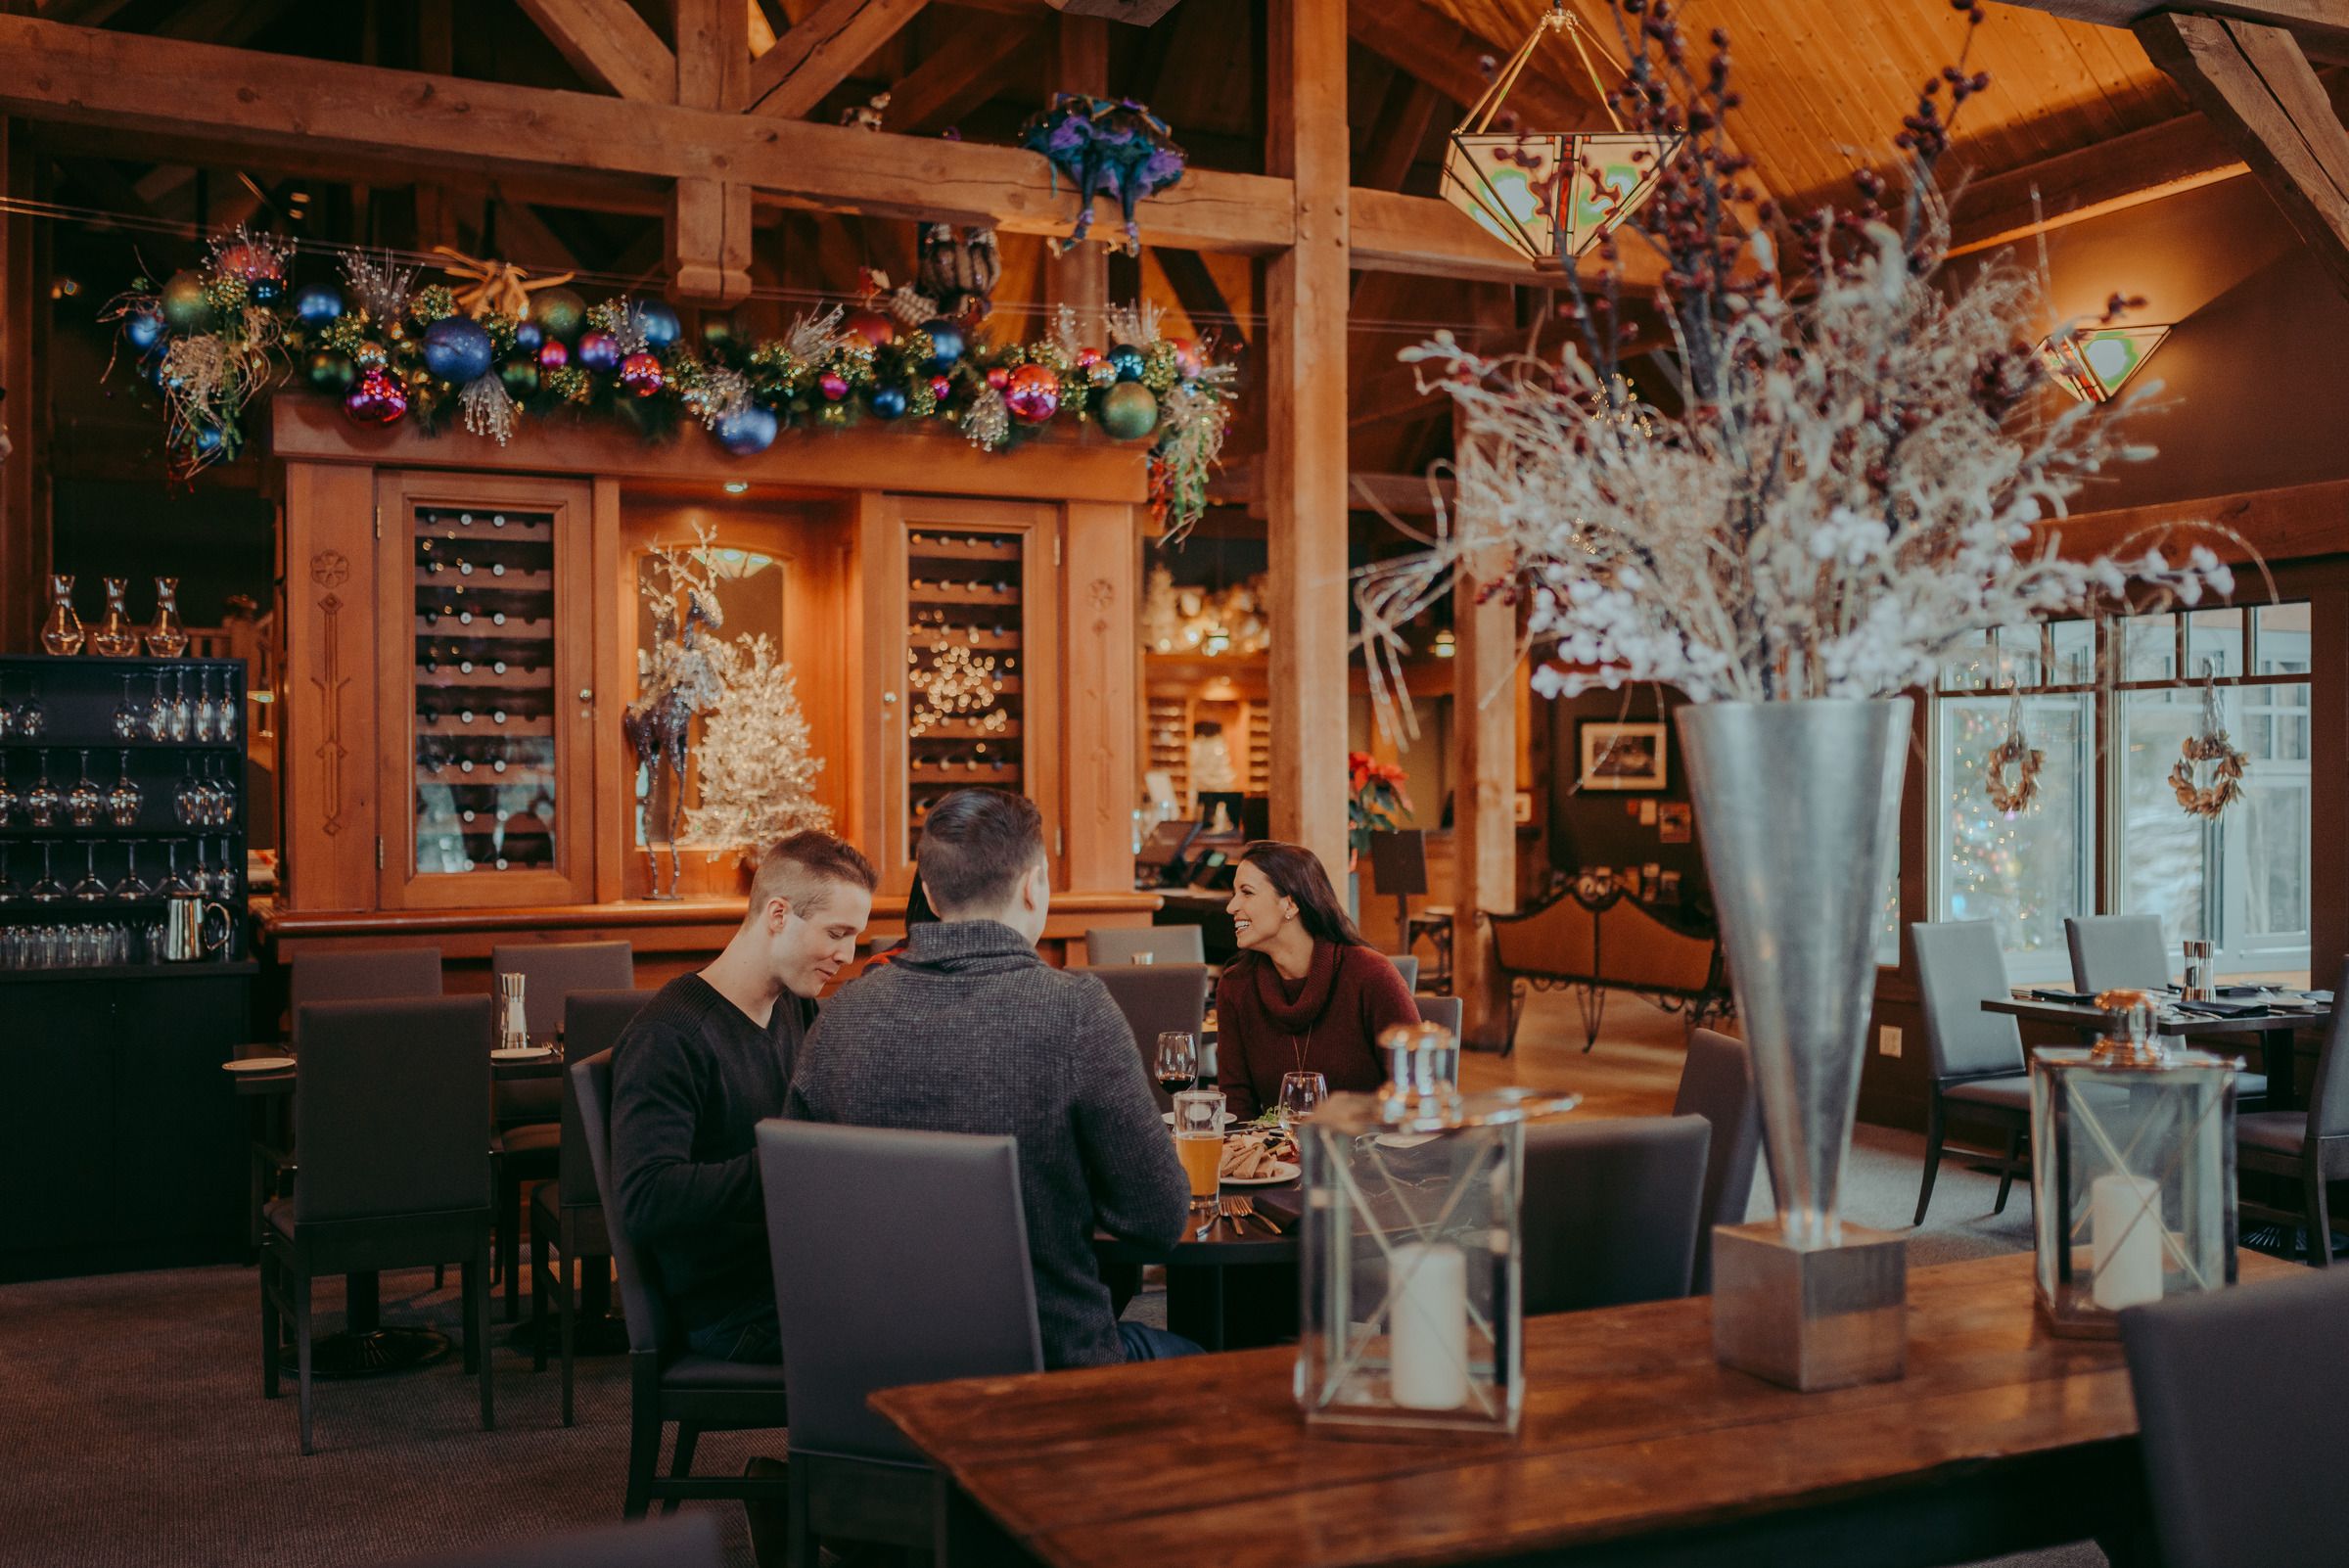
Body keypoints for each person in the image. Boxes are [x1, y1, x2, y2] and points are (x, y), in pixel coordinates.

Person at [789, 788, 1195, 1367]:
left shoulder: (842, 1015)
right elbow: (1157, 1220)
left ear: (930, 894)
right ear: (1034, 885)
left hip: (879, 1371)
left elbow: (804, 1208)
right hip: (1045, 1371)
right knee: (1215, 1362)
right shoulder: (1076, 1011)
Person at [610, 829, 877, 1362]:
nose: (847, 955)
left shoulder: (794, 1006)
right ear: (778, 915)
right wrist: (792, 1164)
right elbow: (645, 1198)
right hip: (732, 1310)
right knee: (930, 1323)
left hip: (795, 1270)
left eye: (854, 938)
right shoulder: (669, 1036)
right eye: (836, 933)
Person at [1216, 840, 1419, 1119]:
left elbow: (1416, 1092)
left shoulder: (1371, 975)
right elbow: (1236, 1109)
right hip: (1275, 1146)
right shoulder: (1236, 985)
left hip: (1370, 1142)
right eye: (1234, 893)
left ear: (1290, 903)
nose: (1231, 907)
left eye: (1247, 892)